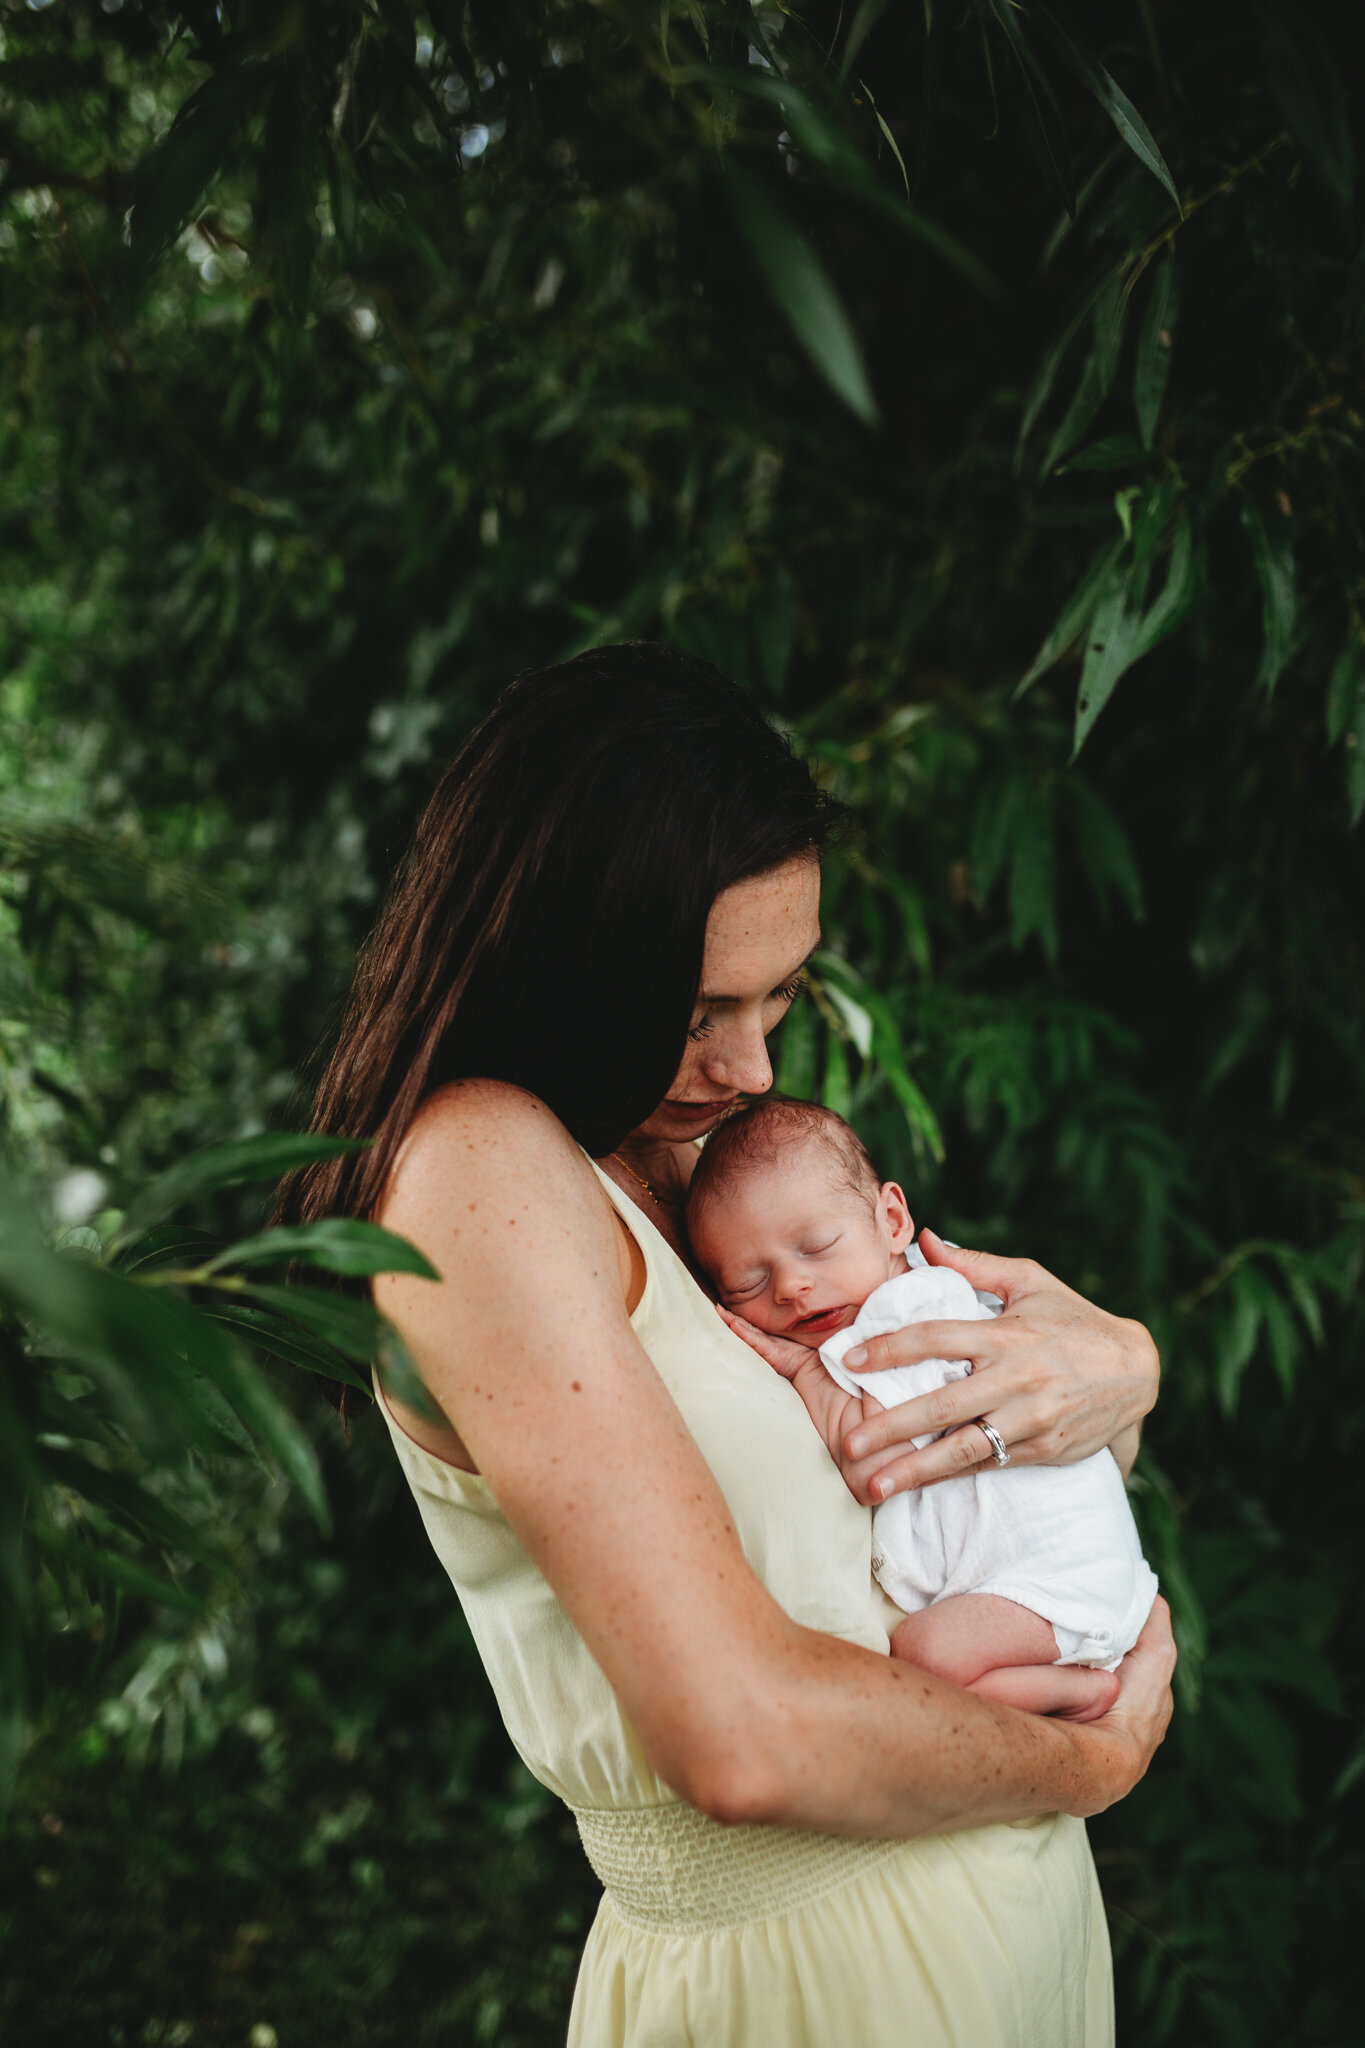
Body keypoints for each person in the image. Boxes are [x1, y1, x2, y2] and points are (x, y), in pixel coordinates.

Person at [279, 643, 1174, 2048]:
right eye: (697, 1012)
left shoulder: (686, 1177)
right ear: (556, 952)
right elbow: (739, 1735)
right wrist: (1092, 1759)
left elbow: (951, 1427)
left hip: (997, 1933)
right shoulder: (480, 1174)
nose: (754, 1069)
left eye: (780, 999)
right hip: (810, 1986)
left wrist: (1123, 1371)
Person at [685, 1096, 1160, 1725]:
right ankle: (1064, 1679)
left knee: (921, 1660)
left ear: (892, 1220)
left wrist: (802, 1369)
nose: (791, 1286)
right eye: (747, 1283)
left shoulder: (903, 1314)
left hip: (1050, 1581)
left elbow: (868, 1462)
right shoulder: (908, 1296)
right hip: (1063, 1578)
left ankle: (1076, 1694)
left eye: (818, 1246)